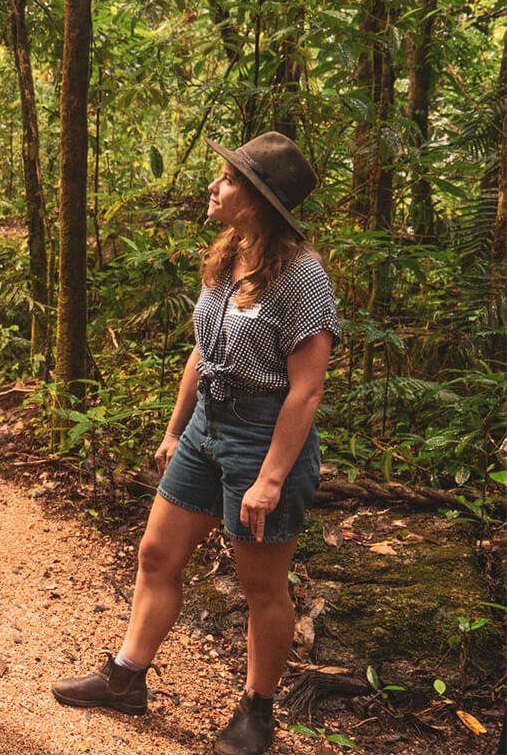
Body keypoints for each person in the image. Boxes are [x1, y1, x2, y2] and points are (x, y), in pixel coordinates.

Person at [51, 131, 339, 755]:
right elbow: (202, 349)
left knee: (262, 585)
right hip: (207, 429)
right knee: (157, 554)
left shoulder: (303, 277)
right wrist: (176, 427)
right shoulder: (230, 256)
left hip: (264, 438)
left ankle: (257, 711)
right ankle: (127, 677)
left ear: (259, 201)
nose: (215, 186)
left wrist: (269, 478)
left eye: (229, 180)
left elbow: (306, 392)